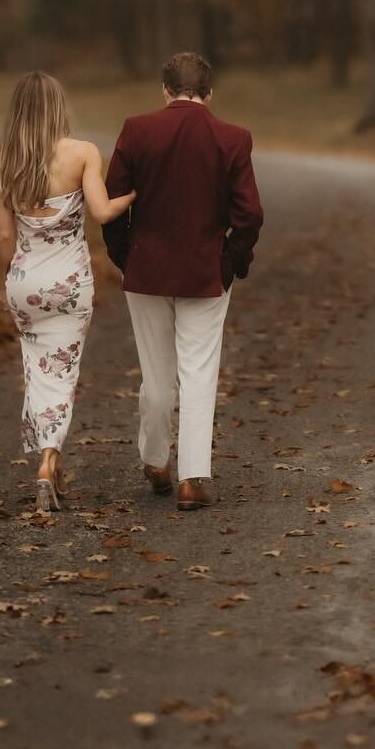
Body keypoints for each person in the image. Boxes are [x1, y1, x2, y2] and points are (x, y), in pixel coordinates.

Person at [104, 51, 264, 511]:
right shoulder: (232, 138)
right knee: (199, 371)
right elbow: (249, 213)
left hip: (147, 269)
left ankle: (155, 460)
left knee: (156, 376)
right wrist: (231, 258)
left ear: (165, 90)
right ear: (209, 94)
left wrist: (125, 255)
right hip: (206, 272)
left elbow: (115, 203)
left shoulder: (137, 130)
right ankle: (192, 477)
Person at [0, 71, 135, 513]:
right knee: (61, 373)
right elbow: (103, 211)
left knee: (36, 369)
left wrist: (7, 279)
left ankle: (49, 455)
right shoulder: (83, 153)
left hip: (25, 282)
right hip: (68, 283)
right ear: (58, 107)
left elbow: (2, 237)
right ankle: (49, 460)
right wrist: (135, 196)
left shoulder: (4, 162)